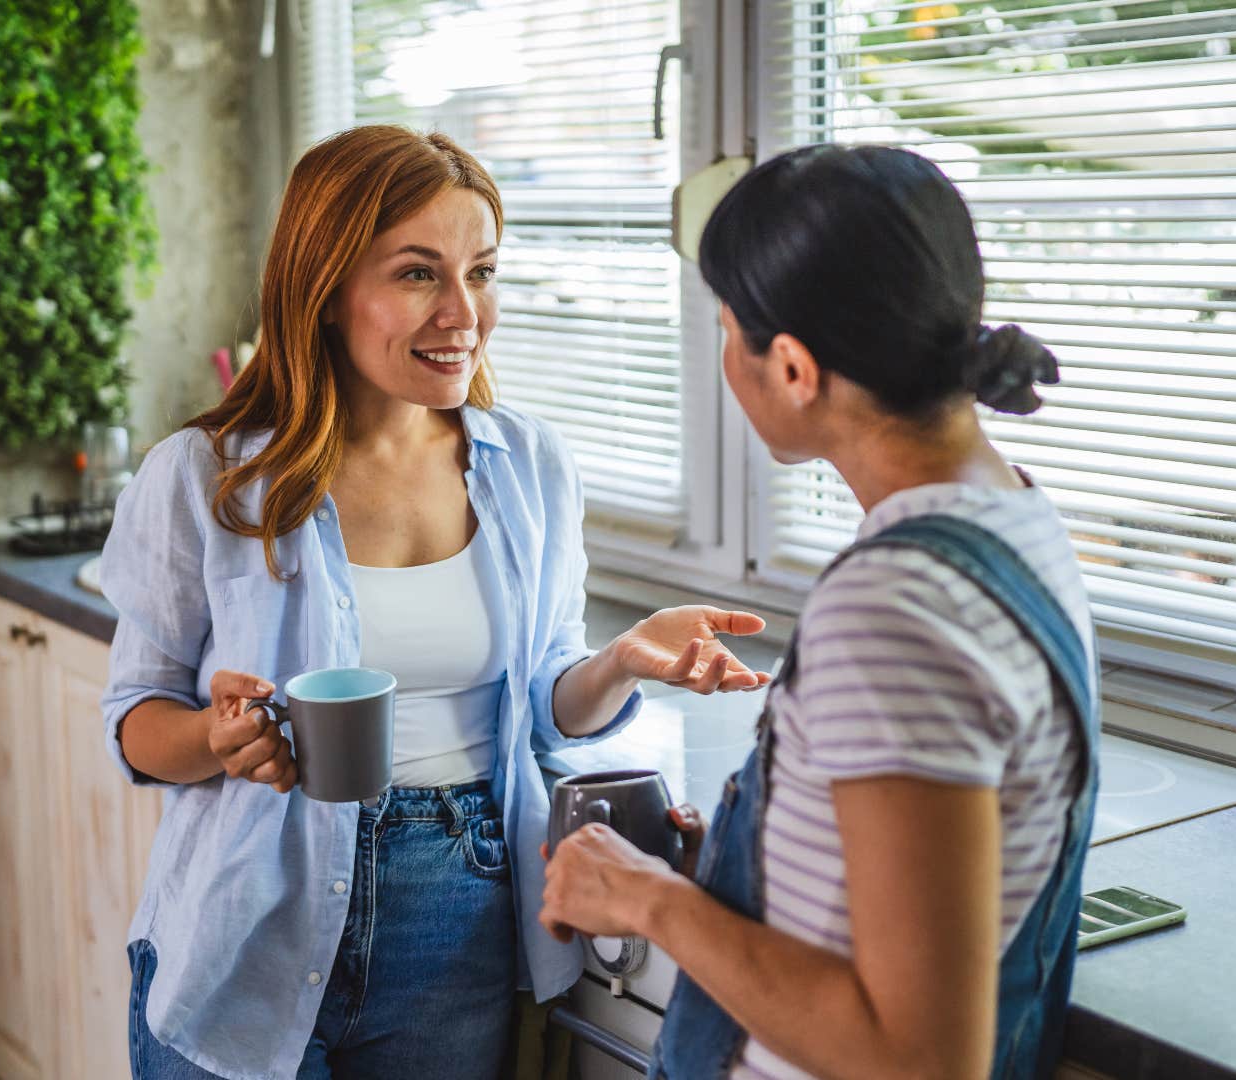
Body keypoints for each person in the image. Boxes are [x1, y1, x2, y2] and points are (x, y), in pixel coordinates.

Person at [99, 124, 770, 1080]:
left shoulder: (528, 466)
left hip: (460, 915)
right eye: (418, 274)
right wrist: (215, 737)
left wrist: (621, 660)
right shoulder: (207, 478)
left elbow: (544, 705)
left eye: (482, 272)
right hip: (247, 916)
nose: (464, 312)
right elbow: (135, 720)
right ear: (325, 290)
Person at [540, 144, 1101, 1080]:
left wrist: (652, 903)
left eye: (727, 326)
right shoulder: (1013, 519)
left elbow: (919, 1057)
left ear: (793, 368)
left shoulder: (895, 609)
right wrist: (739, 869)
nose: (722, 353)